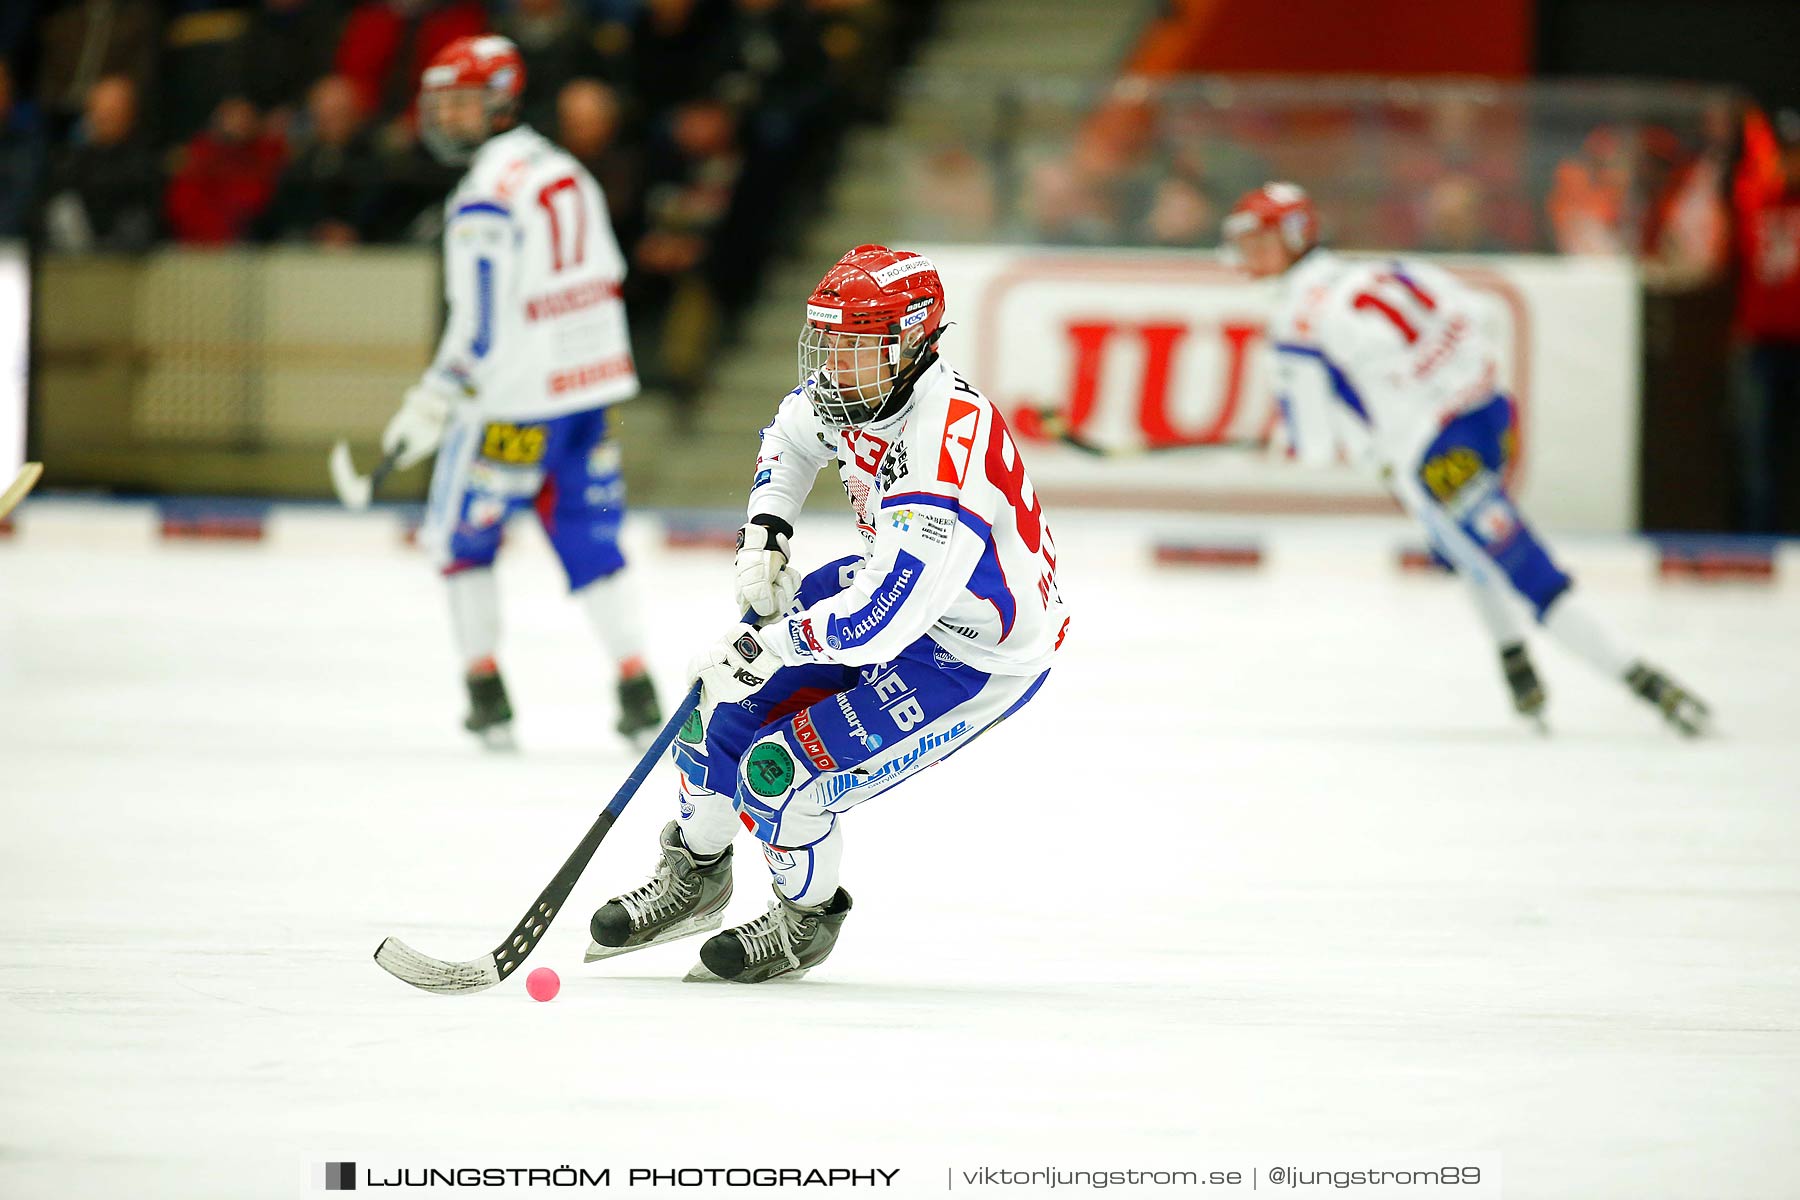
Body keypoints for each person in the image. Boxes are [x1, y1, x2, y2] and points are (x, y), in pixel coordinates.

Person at [585, 245, 1070, 983]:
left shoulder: (944, 446)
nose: (834, 364)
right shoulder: (864, 387)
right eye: (830, 342)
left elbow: (887, 619)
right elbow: (790, 434)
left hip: (972, 651)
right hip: (898, 592)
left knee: (784, 775)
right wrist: (766, 533)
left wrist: (774, 644)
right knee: (712, 712)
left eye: (855, 345)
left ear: (911, 343)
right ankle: (698, 874)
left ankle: (804, 920)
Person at [1224, 182, 1710, 736]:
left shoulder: (1293, 326)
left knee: (1522, 570)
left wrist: (1301, 434)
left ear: (1293, 237)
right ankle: (1517, 665)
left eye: (1257, 240)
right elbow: (1475, 312)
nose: (1246, 254)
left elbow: (1311, 451)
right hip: (1492, 413)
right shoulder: (1380, 269)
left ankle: (1646, 683)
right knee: (1463, 544)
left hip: (1439, 459)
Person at [378, 35, 662, 749]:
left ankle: (485, 690)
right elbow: (610, 272)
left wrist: (433, 399)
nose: (448, 119)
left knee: (460, 537)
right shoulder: (563, 168)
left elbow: (476, 328)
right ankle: (636, 686)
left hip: (511, 406)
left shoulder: (483, 198)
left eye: (463, 105)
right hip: (588, 395)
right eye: (440, 104)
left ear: (502, 101)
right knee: (591, 538)